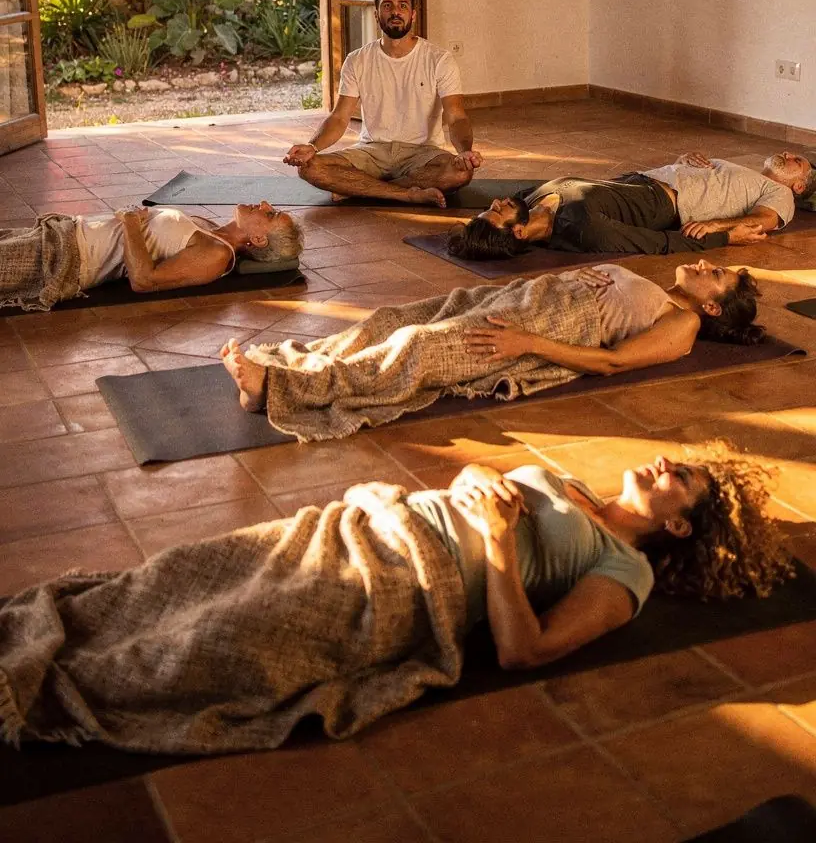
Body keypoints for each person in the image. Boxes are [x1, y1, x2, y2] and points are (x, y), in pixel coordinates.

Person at [0, 445, 793, 754]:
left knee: (204, 639)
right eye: (674, 459)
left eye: (679, 477)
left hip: (404, 584)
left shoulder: (626, 574)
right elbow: (478, 479)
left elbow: (524, 650)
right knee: (168, 577)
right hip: (363, 524)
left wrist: (490, 541)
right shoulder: (575, 486)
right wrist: (478, 479)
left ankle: (33, 687)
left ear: (682, 524)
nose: (662, 462)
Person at [220, 259, 762, 440]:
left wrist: (527, 343)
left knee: (418, 346)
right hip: (525, 296)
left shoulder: (683, 323)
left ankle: (282, 389)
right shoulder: (661, 290)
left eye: (715, 277)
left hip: (546, 326)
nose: (706, 266)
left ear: (712, 308)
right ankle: (293, 361)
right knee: (394, 318)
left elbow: (613, 362)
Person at [283, 0, 482, 207]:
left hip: (423, 154)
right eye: (387, 6)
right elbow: (339, 117)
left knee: (460, 174)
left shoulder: (439, 60)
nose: (395, 12)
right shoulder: (357, 60)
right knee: (309, 168)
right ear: (377, 14)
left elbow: (456, 116)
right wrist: (312, 147)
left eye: (402, 6)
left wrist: (465, 152)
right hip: (371, 152)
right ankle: (406, 193)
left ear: (413, 14)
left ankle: (359, 187)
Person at [447, 150, 816, 261]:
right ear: (519, 231)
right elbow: (656, 243)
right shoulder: (585, 227)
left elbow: (765, 219)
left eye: (796, 160)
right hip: (662, 194)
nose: (496, 201)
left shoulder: (780, 193)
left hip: (647, 179)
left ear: (798, 187)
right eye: (496, 211)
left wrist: (685, 165)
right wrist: (723, 234)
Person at [0, 202, 303, 312]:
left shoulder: (216, 256)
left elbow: (144, 280)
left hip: (63, 259)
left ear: (259, 240)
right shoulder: (210, 229)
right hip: (63, 231)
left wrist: (131, 222)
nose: (264, 204)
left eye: (271, 213)